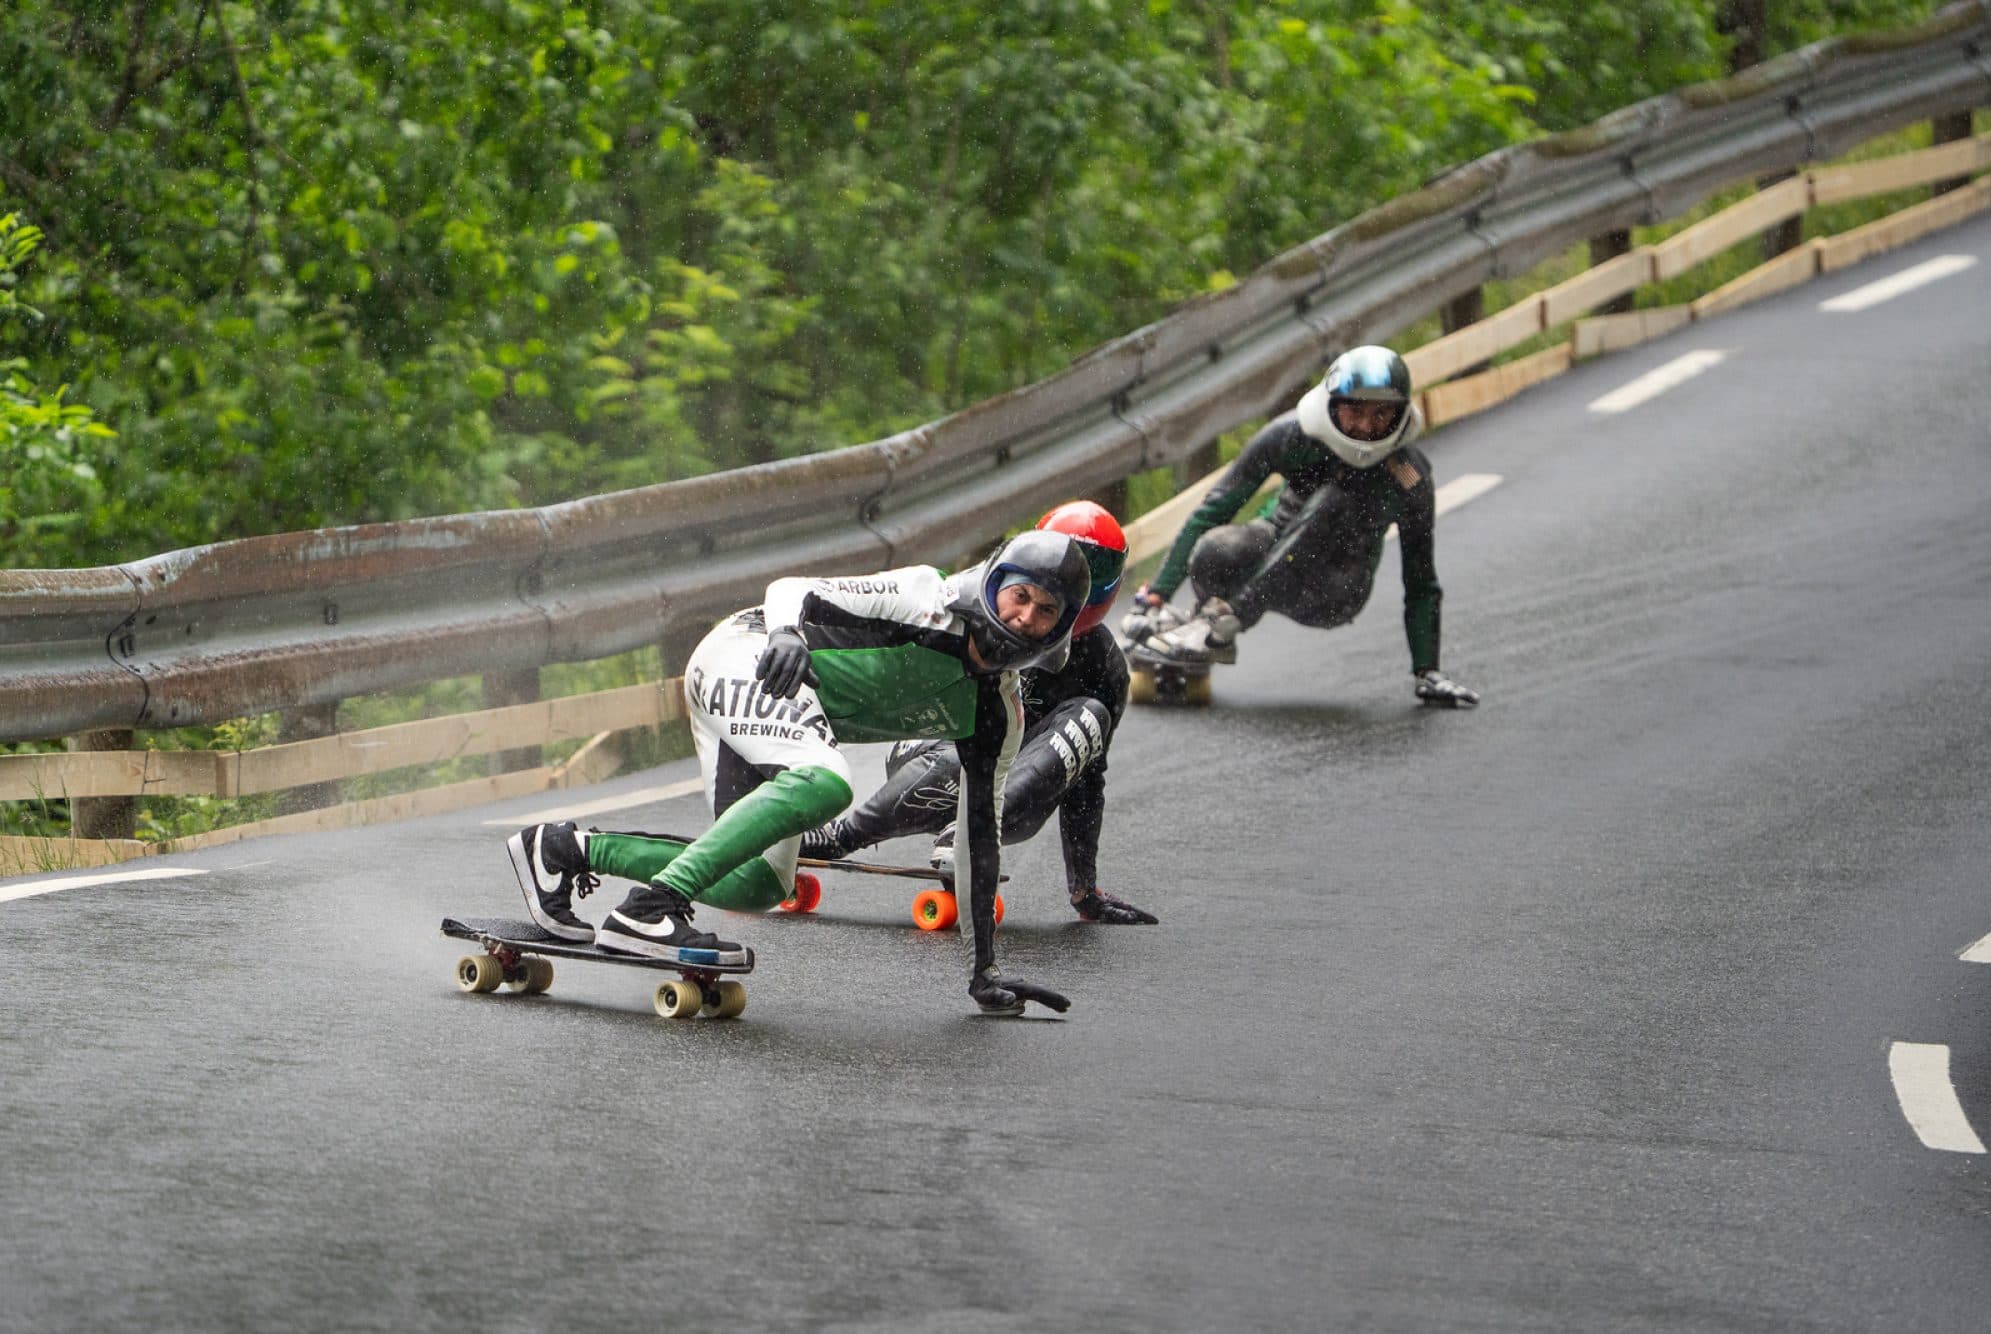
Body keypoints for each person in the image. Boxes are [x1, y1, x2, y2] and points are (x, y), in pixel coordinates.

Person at [505, 529, 1092, 1016]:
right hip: (752, 655)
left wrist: (983, 971)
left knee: (757, 886)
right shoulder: (925, 599)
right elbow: (794, 589)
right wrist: (788, 633)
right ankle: (647, 909)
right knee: (826, 783)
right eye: (1019, 595)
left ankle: (562, 849)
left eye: (1046, 611)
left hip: (786, 719)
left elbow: (978, 842)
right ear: (992, 584)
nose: (1024, 618)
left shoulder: (998, 716)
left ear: (1061, 628)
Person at [801, 501, 1158, 926]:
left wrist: (1084, 890)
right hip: (938, 746)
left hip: (1013, 790)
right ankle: (841, 836)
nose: (1029, 617)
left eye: (1090, 569)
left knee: (1090, 716)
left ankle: (965, 835)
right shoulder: (974, 603)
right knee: (977, 740)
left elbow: (1086, 779)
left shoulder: (1105, 667)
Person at [1126, 345, 1480, 708]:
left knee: (1334, 502)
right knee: (1216, 550)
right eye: (1354, 410)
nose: (1365, 427)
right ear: (1332, 404)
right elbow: (1214, 510)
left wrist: (1428, 671)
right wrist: (1155, 595)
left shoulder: (1407, 476)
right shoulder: (1291, 436)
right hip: (1271, 547)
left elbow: (1421, 581)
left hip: (1334, 590)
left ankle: (1219, 622)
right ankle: (1212, 629)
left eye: (1381, 414)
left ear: (1401, 414)